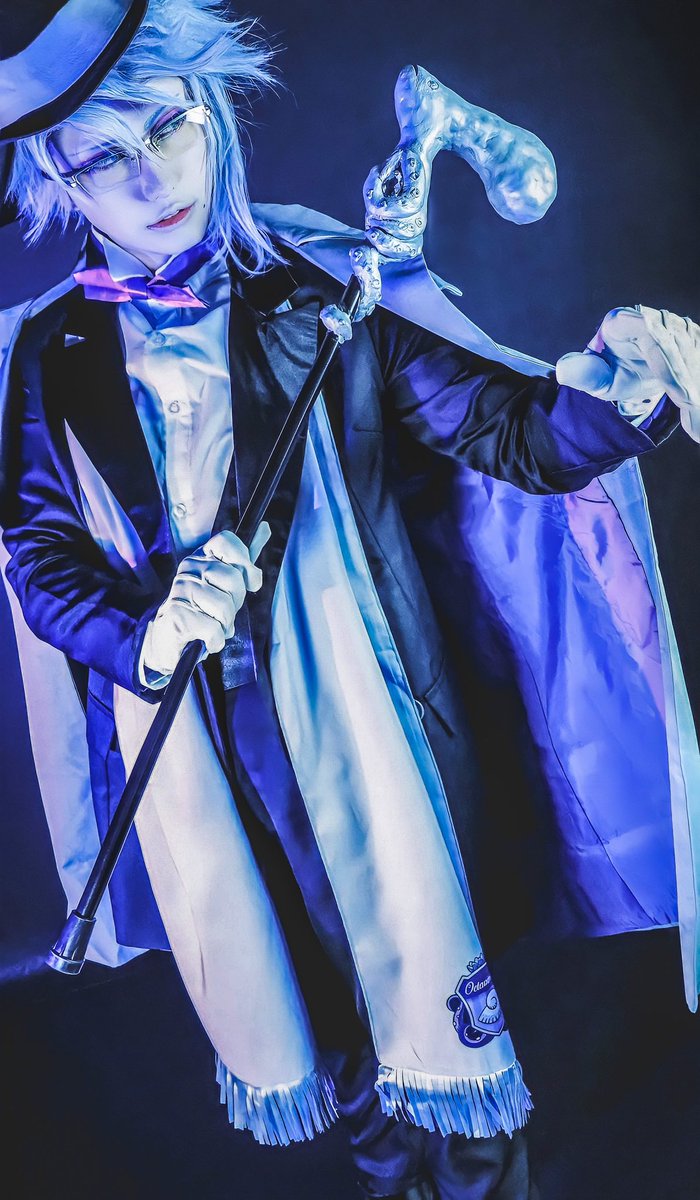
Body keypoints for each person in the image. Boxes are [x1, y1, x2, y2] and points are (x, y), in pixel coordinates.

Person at [2, 2, 700, 1198]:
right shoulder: (48, 353)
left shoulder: (324, 286)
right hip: (205, 766)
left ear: (210, 113)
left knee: (437, 1041)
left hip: (377, 731)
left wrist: (621, 393)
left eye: (166, 128)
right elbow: (39, 555)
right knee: (332, 1050)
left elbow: (510, 431)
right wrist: (149, 628)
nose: (151, 178)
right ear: (61, 185)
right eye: (104, 160)